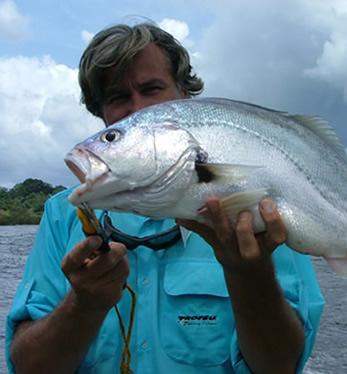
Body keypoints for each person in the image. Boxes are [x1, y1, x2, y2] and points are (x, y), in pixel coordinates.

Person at [6, 22, 324, 373]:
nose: (138, 109)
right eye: (118, 98)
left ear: (184, 96)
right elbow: (28, 368)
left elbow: (278, 366)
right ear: (102, 114)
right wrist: (83, 305)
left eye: (152, 89)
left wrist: (251, 274)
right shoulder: (62, 215)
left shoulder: (257, 200)